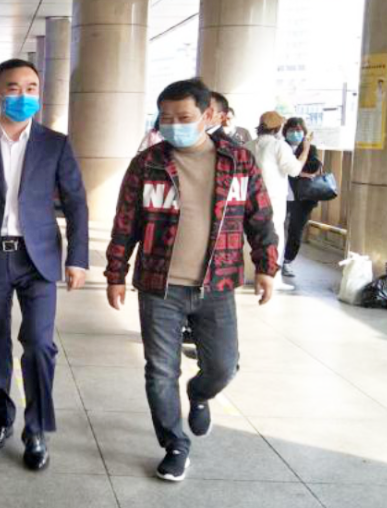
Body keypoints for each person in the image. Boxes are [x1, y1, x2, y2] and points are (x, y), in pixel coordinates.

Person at [105, 78, 279, 482]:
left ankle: (200, 394)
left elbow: (260, 216)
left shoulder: (238, 161)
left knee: (222, 366)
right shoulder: (147, 164)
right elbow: (125, 223)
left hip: (217, 285)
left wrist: (266, 266)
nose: (174, 125)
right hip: (159, 285)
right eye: (165, 118)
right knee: (160, 371)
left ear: (208, 115)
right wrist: (116, 273)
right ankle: (175, 444)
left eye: (183, 117)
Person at [0, 59, 89, 471]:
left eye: (30, 88)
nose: (23, 96)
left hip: (37, 258)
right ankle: (1, 415)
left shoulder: (55, 144)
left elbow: (76, 202)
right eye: (13, 88)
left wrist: (78, 258)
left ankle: (36, 428)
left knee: (39, 343)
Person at [247, 112, 313, 290]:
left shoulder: (248, 145)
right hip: (273, 198)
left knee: (252, 235)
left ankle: (251, 275)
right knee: (274, 234)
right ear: (278, 128)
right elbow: (294, 170)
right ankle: (272, 278)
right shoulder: (279, 145)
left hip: (251, 197)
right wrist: (305, 150)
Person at [282, 117, 322, 278]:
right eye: (291, 130)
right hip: (282, 194)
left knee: (296, 231)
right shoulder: (280, 146)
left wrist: (304, 151)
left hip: (303, 197)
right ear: (285, 131)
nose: (295, 133)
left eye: (298, 130)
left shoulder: (310, 148)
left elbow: (314, 167)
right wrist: (299, 172)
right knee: (274, 228)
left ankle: (287, 261)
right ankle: (272, 259)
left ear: (304, 132)